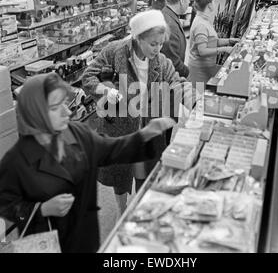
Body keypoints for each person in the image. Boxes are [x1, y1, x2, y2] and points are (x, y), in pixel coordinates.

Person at [0, 72, 175, 253]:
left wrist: (145, 134)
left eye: (64, 104)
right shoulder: (17, 160)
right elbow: (6, 204)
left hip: (85, 235)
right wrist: (41, 209)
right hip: (47, 244)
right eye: (55, 107)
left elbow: (111, 149)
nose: (67, 111)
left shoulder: (76, 132)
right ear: (35, 114)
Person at [82, 10, 198, 215]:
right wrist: (106, 90)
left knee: (145, 172)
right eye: (153, 44)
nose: (158, 49)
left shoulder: (162, 62)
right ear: (138, 38)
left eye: (161, 43)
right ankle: (121, 209)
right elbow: (88, 77)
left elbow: (178, 83)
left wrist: (197, 104)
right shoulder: (114, 52)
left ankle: (139, 209)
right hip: (118, 126)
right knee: (120, 174)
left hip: (147, 127)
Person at [188, 0, 238, 86]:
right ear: (210, 5)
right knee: (199, 98)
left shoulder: (204, 20)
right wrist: (223, 49)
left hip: (206, 68)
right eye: (213, 1)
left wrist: (229, 41)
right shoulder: (201, 25)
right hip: (199, 72)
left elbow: (212, 41)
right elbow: (202, 51)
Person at [161, 0, 190, 78]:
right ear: (182, 1)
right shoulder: (170, 24)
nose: (188, 4)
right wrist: (187, 72)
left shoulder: (168, 15)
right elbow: (172, 60)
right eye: (188, 1)